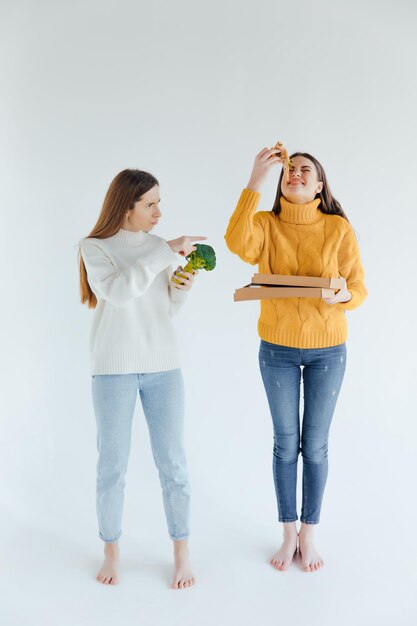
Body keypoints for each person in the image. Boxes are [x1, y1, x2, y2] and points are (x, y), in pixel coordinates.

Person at [225, 147, 367, 572]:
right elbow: (236, 243)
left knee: (316, 447)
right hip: (278, 349)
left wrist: (343, 294)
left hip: (328, 349)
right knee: (286, 445)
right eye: (289, 170)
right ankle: (288, 533)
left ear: (319, 186)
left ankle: (310, 531)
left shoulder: (338, 228)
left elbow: (358, 289)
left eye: (306, 170)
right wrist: (254, 179)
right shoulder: (265, 225)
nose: (295, 174)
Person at [79, 168, 206, 588]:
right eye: (150, 204)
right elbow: (118, 293)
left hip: (164, 367)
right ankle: (111, 551)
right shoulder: (94, 247)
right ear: (126, 206)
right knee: (111, 466)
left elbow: (164, 309)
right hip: (112, 370)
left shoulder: (157, 248)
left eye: (158, 202)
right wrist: (164, 254)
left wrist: (182, 286)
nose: (158, 212)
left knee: (174, 465)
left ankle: (182, 553)